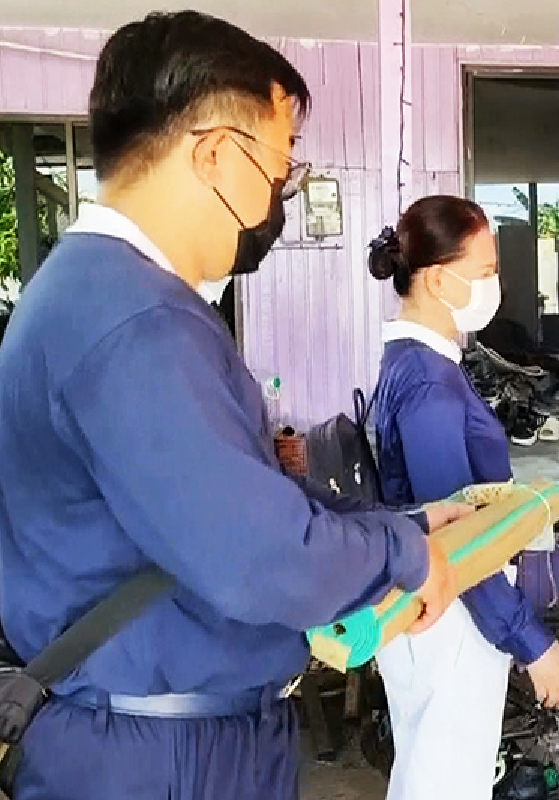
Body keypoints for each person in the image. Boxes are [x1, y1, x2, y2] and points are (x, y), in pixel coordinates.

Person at [0, 13, 467, 800]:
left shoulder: (101, 295)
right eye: (280, 169)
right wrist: (403, 557)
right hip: (159, 756)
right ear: (215, 153)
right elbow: (259, 560)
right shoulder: (133, 318)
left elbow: (230, 505)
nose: (280, 195)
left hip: (162, 733)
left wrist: (407, 528)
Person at [367, 196, 559, 800]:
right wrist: (529, 642)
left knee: (431, 779)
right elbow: (456, 540)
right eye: (486, 271)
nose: (497, 285)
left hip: (440, 612)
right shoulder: (429, 382)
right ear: (438, 279)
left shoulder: (420, 362)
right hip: (452, 620)